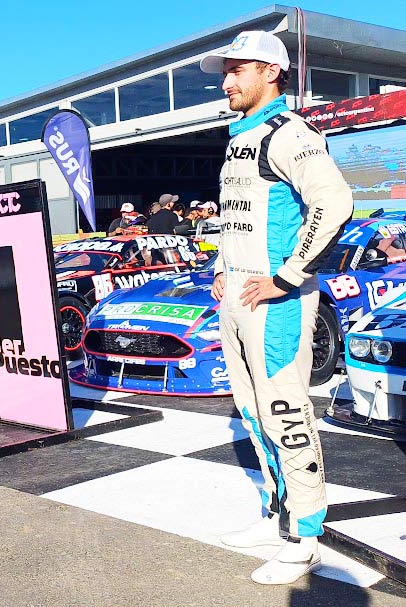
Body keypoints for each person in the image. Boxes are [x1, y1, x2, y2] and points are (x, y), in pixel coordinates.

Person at [202, 30, 353, 585]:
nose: (227, 80)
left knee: (285, 411)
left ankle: (305, 538)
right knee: (251, 409)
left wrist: (287, 276)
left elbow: (334, 202)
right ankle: (278, 516)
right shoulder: (239, 136)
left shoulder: (290, 132)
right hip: (238, 294)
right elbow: (237, 215)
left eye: (237, 69)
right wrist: (222, 268)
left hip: (277, 298)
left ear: (270, 72)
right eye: (226, 70)